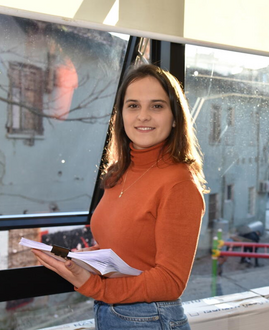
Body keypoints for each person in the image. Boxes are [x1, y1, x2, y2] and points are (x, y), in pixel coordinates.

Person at [32, 64, 208, 329]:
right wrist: (70, 258)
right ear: (121, 114)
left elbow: (171, 282)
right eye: (133, 105)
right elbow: (119, 252)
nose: (143, 116)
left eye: (157, 106)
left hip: (150, 318)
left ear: (174, 117)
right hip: (113, 313)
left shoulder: (179, 183)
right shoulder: (119, 173)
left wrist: (93, 286)